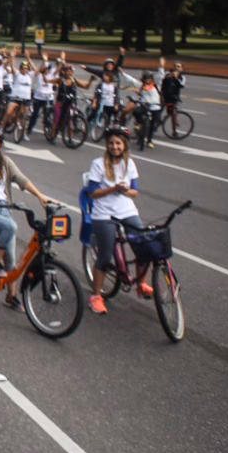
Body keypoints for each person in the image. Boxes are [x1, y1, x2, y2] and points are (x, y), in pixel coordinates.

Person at [0, 130, 55, 311]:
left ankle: (11, 296)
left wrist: (39, 196)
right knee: (10, 226)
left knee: (11, 257)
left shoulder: (5, 162)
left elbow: (21, 179)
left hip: (3, 208)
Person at [85, 127, 147, 314]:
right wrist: (113, 189)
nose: (114, 146)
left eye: (118, 143)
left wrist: (126, 191)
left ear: (124, 145)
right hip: (104, 214)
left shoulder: (130, 164)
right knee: (104, 255)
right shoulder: (98, 164)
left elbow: (135, 191)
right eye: (111, 143)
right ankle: (96, 297)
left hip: (127, 210)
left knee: (142, 245)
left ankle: (141, 284)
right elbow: (92, 193)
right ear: (107, 145)